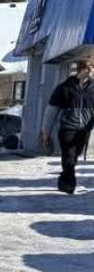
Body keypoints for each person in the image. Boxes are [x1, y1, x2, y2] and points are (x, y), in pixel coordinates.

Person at [42, 58, 94, 194]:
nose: (91, 70)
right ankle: (69, 185)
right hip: (68, 128)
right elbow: (51, 111)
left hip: (84, 130)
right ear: (80, 69)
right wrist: (46, 132)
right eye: (88, 67)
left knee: (75, 156)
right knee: (69, 157)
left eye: (93, 67)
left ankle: (65, 177)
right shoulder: (65, 88)